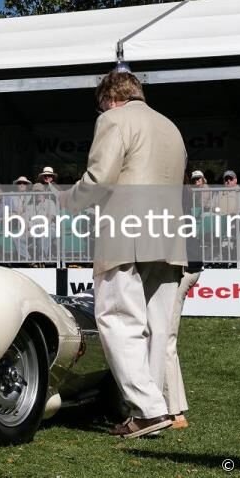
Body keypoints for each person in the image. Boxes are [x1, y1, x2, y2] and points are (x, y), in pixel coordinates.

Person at [61, 69, 186, 439]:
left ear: (109, 98)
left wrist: (66, 201)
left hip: (126, 229)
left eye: (101, 104)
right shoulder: (170, 126)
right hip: (168, 233)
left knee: (117, 317)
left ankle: (147, 410)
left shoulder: (113, 119)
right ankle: (153, 408)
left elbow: (100, 178)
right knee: (156, 327)